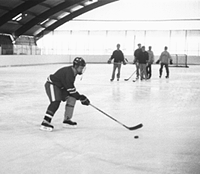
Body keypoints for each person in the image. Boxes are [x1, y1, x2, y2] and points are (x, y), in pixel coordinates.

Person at [40, 57, 90, 131]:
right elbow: (70, 88)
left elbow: (70, 88)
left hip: (61, 87)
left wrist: (79, 97)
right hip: (52, 85)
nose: (82, 69)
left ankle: (67, 120)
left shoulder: (74, 72)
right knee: (56, 101)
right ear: (76, 66)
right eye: (81, 67)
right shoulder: (69, 73)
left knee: (72, 98)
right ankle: (45, 121)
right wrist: (81, 97)